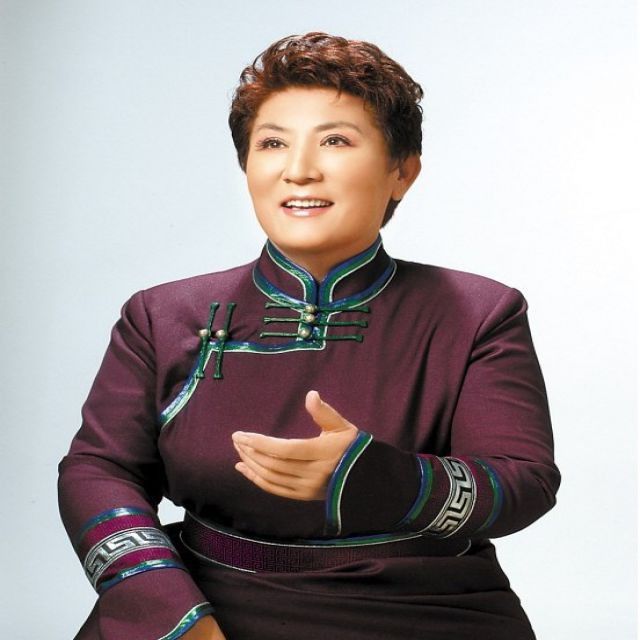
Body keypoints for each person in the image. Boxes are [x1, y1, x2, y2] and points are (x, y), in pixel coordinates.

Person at [58, 32, 561, 640]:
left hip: (424, 606)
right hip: (197, 600)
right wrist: (165, 607)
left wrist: (379, 478)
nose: (298, 170)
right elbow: (98, 470)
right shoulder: (159, 315)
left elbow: (524, 481)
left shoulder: (479, 312)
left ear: (402, 172)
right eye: (272, 143)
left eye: (336, 141)